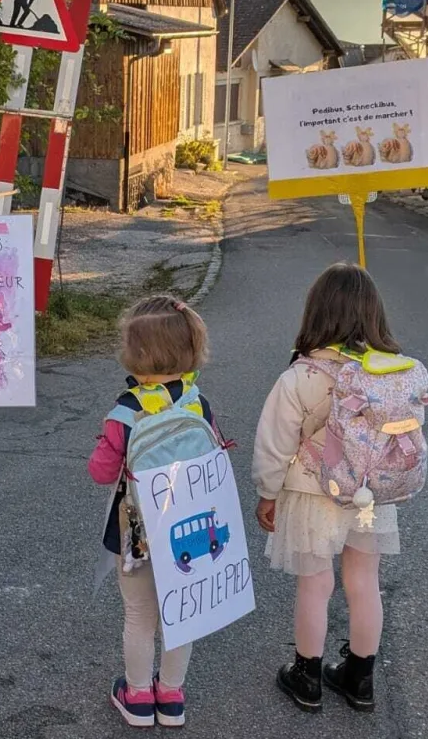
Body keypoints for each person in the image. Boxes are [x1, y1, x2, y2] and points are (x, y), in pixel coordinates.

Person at [253, 264, 403, 714]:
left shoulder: (299, 377)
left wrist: (267, 492)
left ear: (316, 312)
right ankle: (360, 678)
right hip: (370, 493)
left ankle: (307, 675)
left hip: (312, 491)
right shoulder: (389, 374)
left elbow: (274, 444)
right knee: (364, 582)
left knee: (315, 585)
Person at [88, 294, 221, 728]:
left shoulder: (125, 411)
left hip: (136, 530)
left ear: (133, 353)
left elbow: (101, 473)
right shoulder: (197, 403)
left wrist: (105, 446)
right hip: (189, 524)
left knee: (140, 614)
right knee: (181, 611)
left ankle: (139, 696)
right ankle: (172, 695)